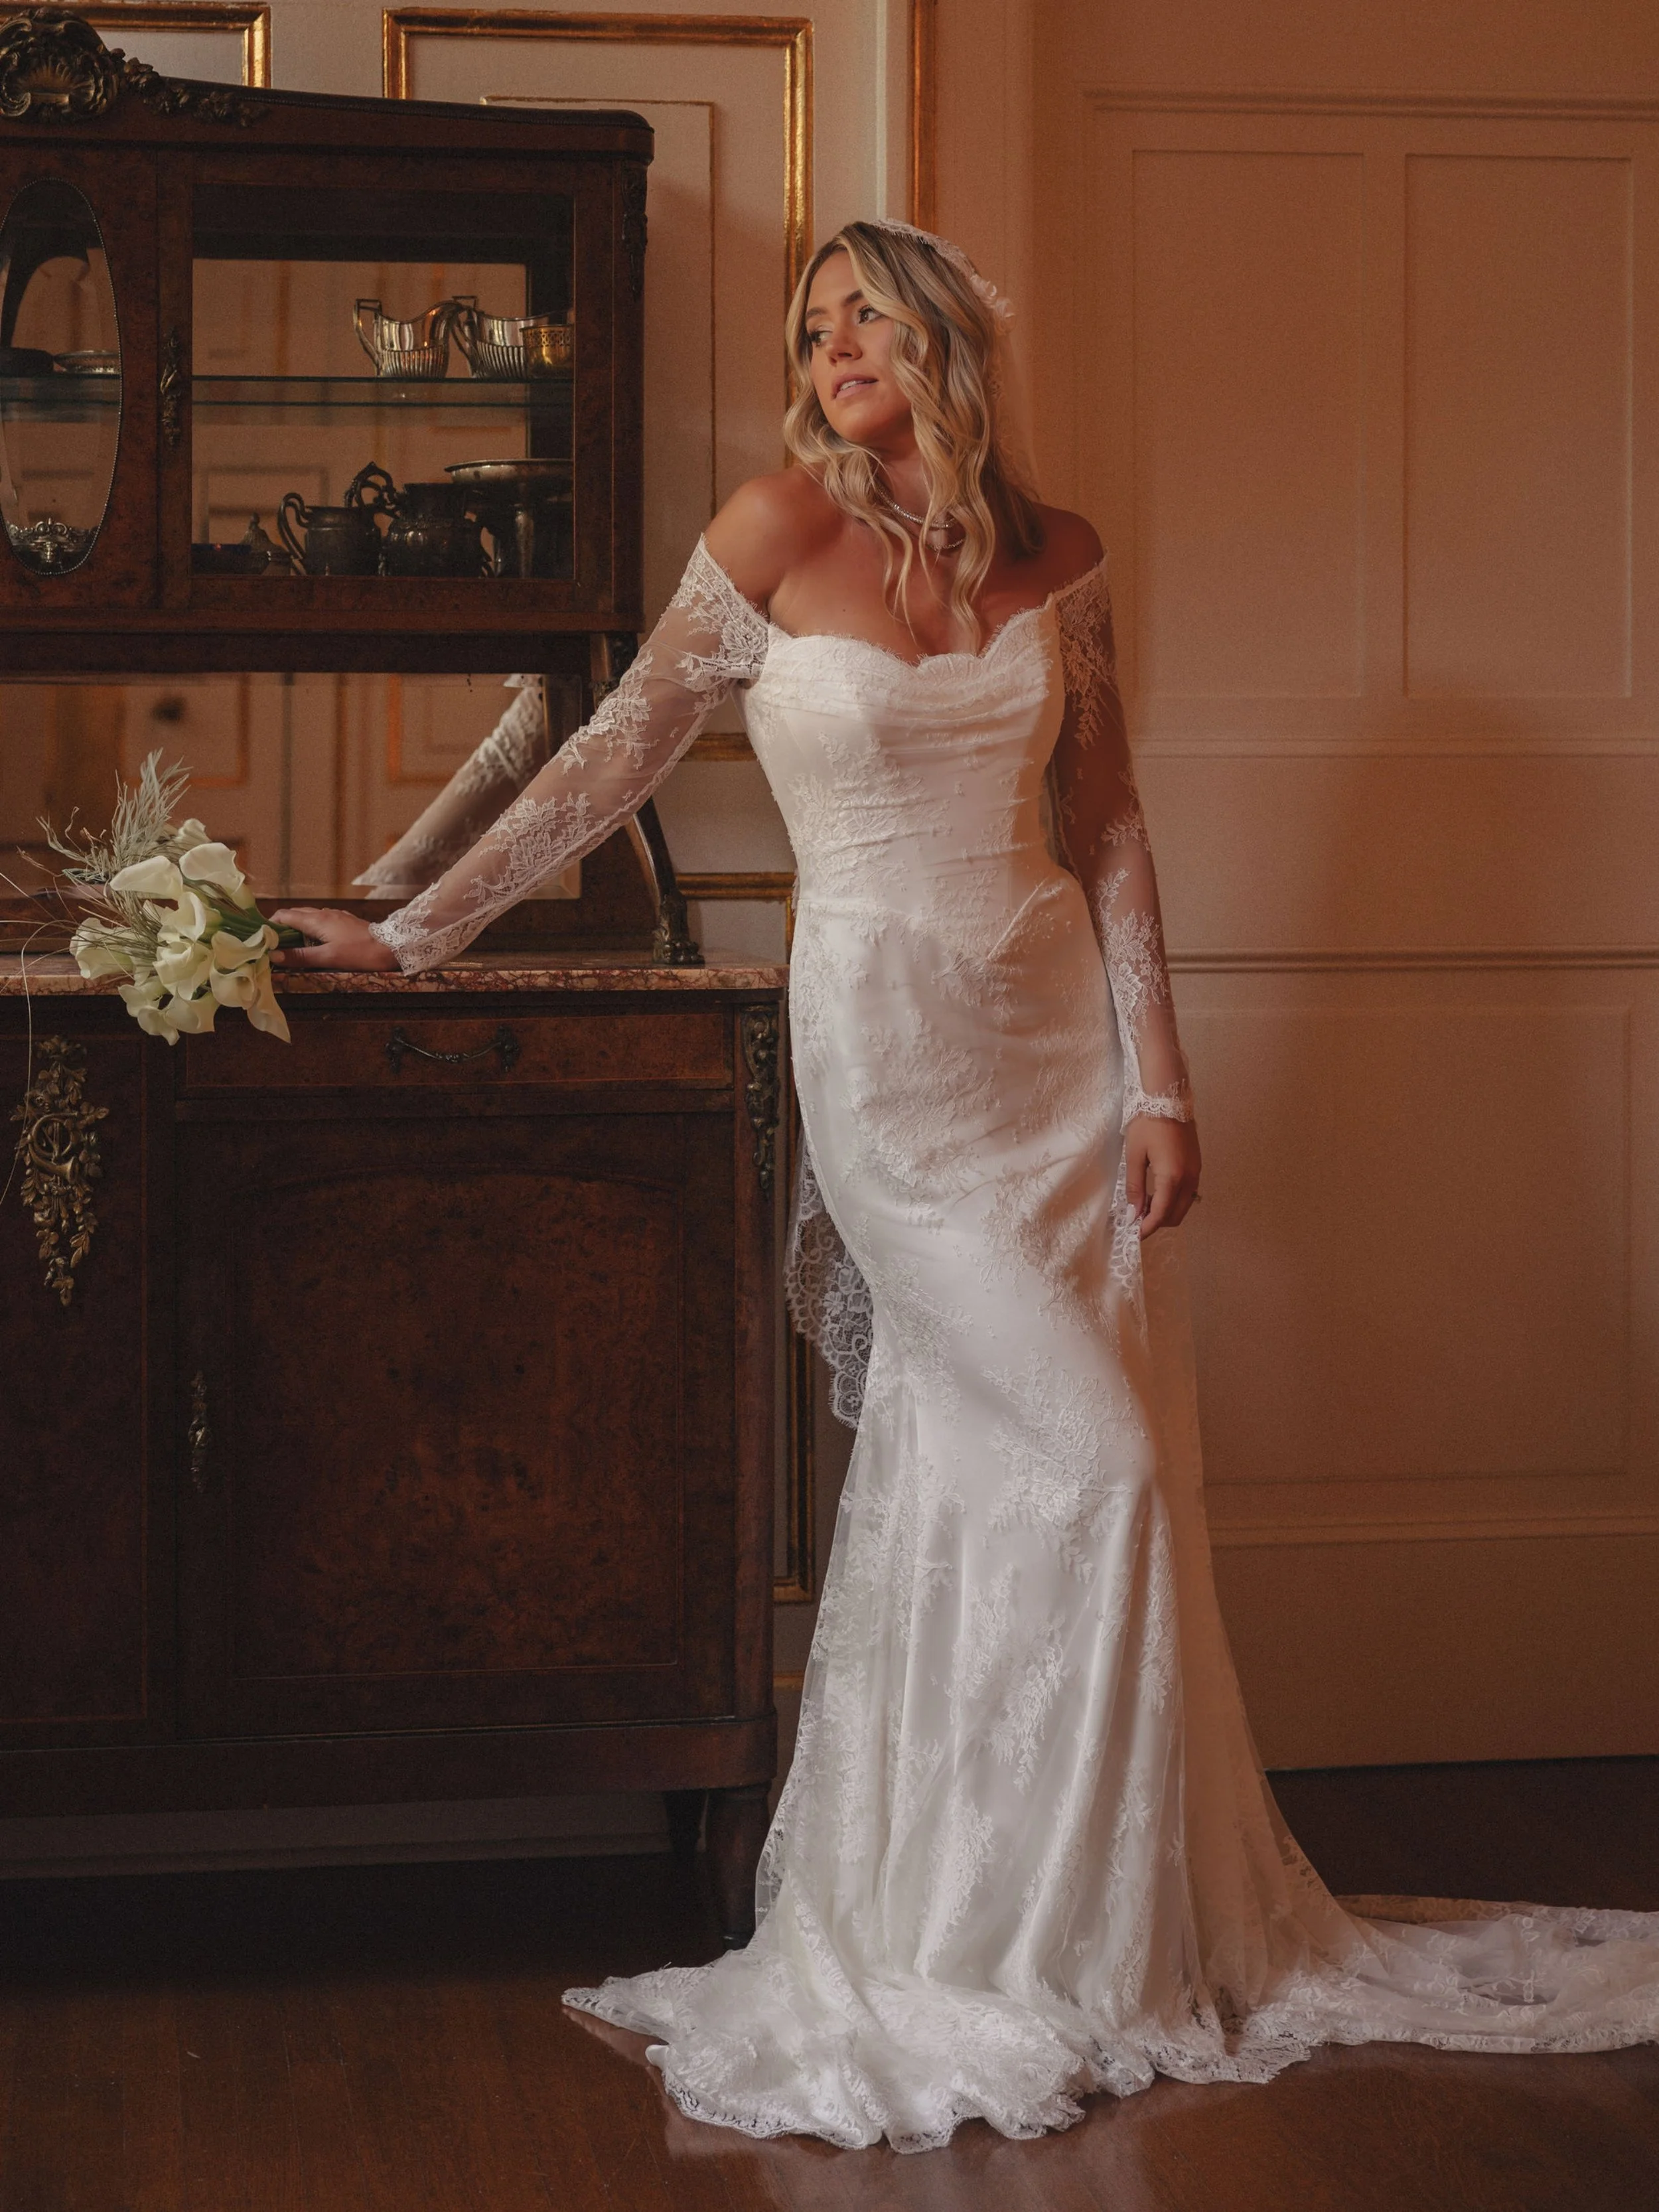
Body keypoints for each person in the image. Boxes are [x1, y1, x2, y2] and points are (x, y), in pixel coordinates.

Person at [275, 220, 1659, 2155]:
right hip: (889, 1055)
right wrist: (417, 938)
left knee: (1032, 1468)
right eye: (811, 324)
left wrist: (1158, 1077)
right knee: (1075, 1455)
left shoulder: (1057, 553)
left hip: (1049, 1050)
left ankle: (1055, 1927)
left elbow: (1099, 816)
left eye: (866, 314)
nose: (835, 343)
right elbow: (611, 759)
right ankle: (972, 1932)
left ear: (943, 339)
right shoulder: (767, 528)